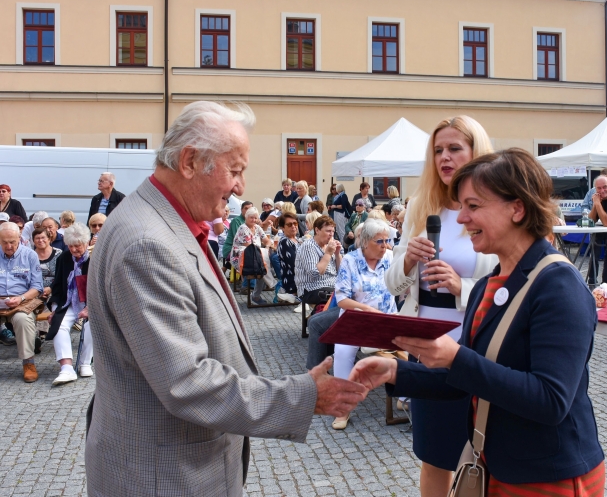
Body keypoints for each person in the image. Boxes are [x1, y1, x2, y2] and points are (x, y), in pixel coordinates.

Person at [85, 100, 367, 496]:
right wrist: (303, 396)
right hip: (164, 476)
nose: (240, 187)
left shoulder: (163, 221)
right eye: (234, 171)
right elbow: (189, 382)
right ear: (189, 162)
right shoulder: (148, 243)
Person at [353, 148, 605, 496]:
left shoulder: (559, 285)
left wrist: (455, 357)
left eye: (473, 206)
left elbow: (550, 400)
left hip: (548, 477)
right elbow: (468, 378)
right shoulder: (489, 284)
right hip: (498, 467)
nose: (461, 218)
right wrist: (394, 373)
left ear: (517, 208)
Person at [383, 115, 498, 496]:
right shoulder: (421, 205)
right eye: (438, 150)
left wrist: (461, 286)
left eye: (454, 149)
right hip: (426, 351)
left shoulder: (492, 208)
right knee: (434, 456)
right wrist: (407, 261)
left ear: (475, 152)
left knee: (485, 453)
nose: (444, 158)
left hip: (476, 349)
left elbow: (508, 280)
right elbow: (392, 283)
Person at [332, 219, 396, 430]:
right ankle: (342, 408)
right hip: (356, 320)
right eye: (380, 241)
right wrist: (367, 310)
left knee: (410, 346)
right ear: (366, 241)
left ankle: (408, 395)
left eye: (387, 240)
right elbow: (341, 299)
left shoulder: (389, 257)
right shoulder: (350, 261)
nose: (385, 245)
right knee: (342, 352)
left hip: (386, 320)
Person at [46, 223, 95, 384]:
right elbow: (58, 286)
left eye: (78, 246)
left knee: (92, 325)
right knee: (59, 324)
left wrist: (89, 308)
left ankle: (85, 363)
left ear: (86, 243)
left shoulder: (95, 259)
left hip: (91, 303)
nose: (74, 250)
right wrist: (55, 308)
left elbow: (101, 288)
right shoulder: (64, 258)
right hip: (68, 302)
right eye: (71, 246)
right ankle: (66, 368)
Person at [0, 222, 43, 380]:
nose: (9, 246)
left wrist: (21, 298)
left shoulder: (30, 255)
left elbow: (37, 287)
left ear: (19, 238)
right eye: (4, 242)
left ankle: (28, 363)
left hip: (22, 300)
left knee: (23, 320)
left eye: (12, 242)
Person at [231, 207, 275, 305]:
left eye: (255, 218)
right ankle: (272, 283)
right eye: (251, 217)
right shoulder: (243, 228)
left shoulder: (257, 228)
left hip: (255, 257)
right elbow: (249, 247)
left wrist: (267, 246)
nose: (254, 220)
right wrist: (264, 249)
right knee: (263, 257)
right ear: (246, 217)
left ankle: (257, 295)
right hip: (241, 256)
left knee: (263, 262)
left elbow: (266, 241)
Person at [295, 216, 342, 306]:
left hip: (331, 286)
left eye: (333, 231)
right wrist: (328, 254)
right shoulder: (309, 246)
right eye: (328, 231)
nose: (331, 234)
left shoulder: (329, 245)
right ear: (317, 230)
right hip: (312, 289)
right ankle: (318, 319)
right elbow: (314, 273)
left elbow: (341, 272)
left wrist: (337, 254)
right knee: (341, 297)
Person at [276, 212, 302, 304]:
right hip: (293, 280)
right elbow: (294, 264)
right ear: (282, 227)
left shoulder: (298, 240)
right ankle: (297, 297)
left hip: (299, 277)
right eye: (289, 224)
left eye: (295, 223)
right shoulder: (285, 242)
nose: (293, 226)